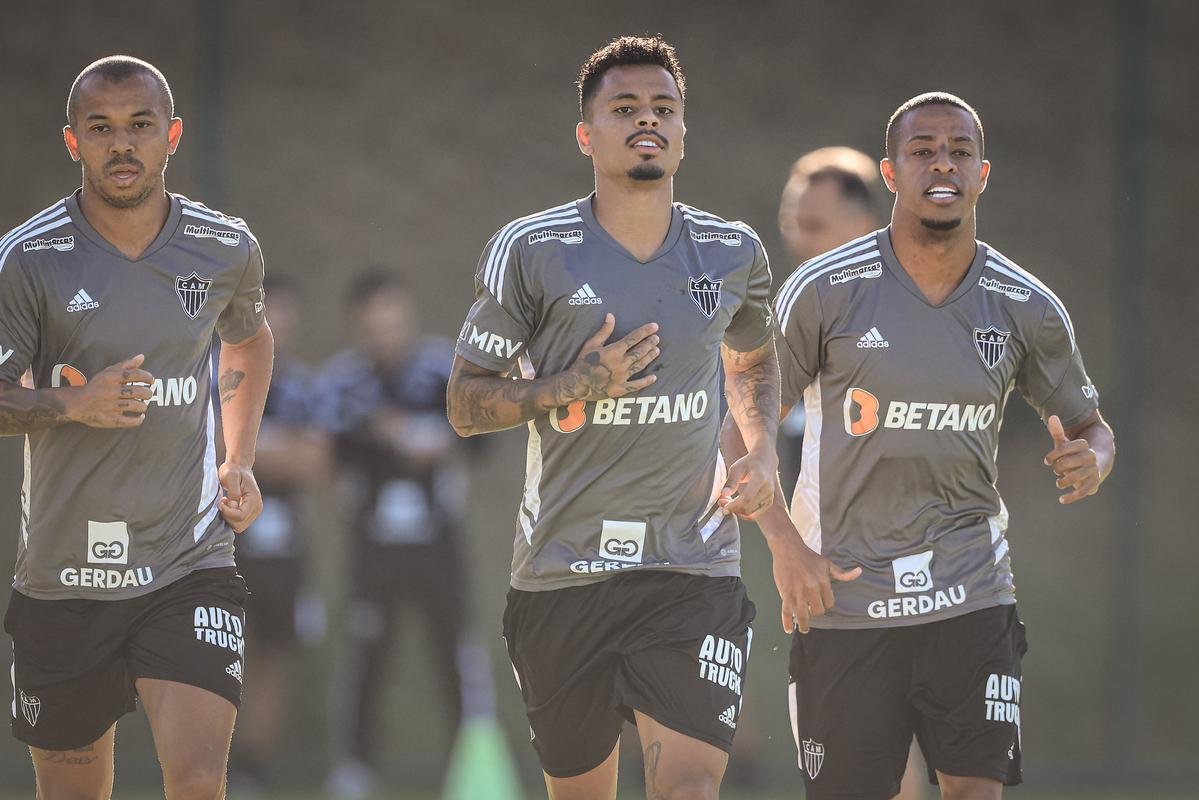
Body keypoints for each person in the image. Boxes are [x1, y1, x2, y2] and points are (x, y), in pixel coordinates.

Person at [725, 92, 1114, 800]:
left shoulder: (1025, 304)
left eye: (959, 152)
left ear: (982, 174)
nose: (942, 164)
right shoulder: (822, 291)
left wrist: (1094, 457)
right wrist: (784, 546)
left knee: (974, 789)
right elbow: (742, 421)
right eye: (922, 151)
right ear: (891, 172)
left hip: (971, 592)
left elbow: (1091, 425)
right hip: (844, 598)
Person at [447, 36, 785, 800]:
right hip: (562, 573)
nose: (647, 121)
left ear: (684, 132)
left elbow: (753, 358)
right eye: (624, 108)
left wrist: (762, 449)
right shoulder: (530, 249)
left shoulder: (731, 251)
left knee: (688, 789)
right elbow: (464, 405)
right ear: (585, 135)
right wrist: (572, 385)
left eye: (663, 108)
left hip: (690, 568)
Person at [0, 56, 271, 799]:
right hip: (63, 578)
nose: (122, 144)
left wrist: (238, 458)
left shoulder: (225, 247)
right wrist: (72, 406)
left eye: (140, 125)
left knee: (197, 780)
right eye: (101, 128)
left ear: (172, 135)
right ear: (73, 142)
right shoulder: (28, 259)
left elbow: (248, 340)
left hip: (188, 562)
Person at [320, 271, 469, 797]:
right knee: (366, 652)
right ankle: (356, 766)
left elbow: (479, 437)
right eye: (375, 325)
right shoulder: (343, 380)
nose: (387, 334)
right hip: (372, 543)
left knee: (455, 651)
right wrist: (375, 432)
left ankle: (470, 763)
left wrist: (435, 440)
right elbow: (328, 450)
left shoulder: (443, 369)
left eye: (394, 321)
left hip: (438, 541)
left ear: (409, 317)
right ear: (358, 325)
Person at [226, 275, 329, 794]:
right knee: (216, 653)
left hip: (284, 546)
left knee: (271, 657)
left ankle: (251, 768)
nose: (278, 322)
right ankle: (207, 764)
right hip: (223, 541)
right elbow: (210, 453)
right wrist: (264, 452)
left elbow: (315, 463)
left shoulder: (306, 387)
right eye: (269, 311)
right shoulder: (221, 377)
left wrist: (246, 452)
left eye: (286, 312)